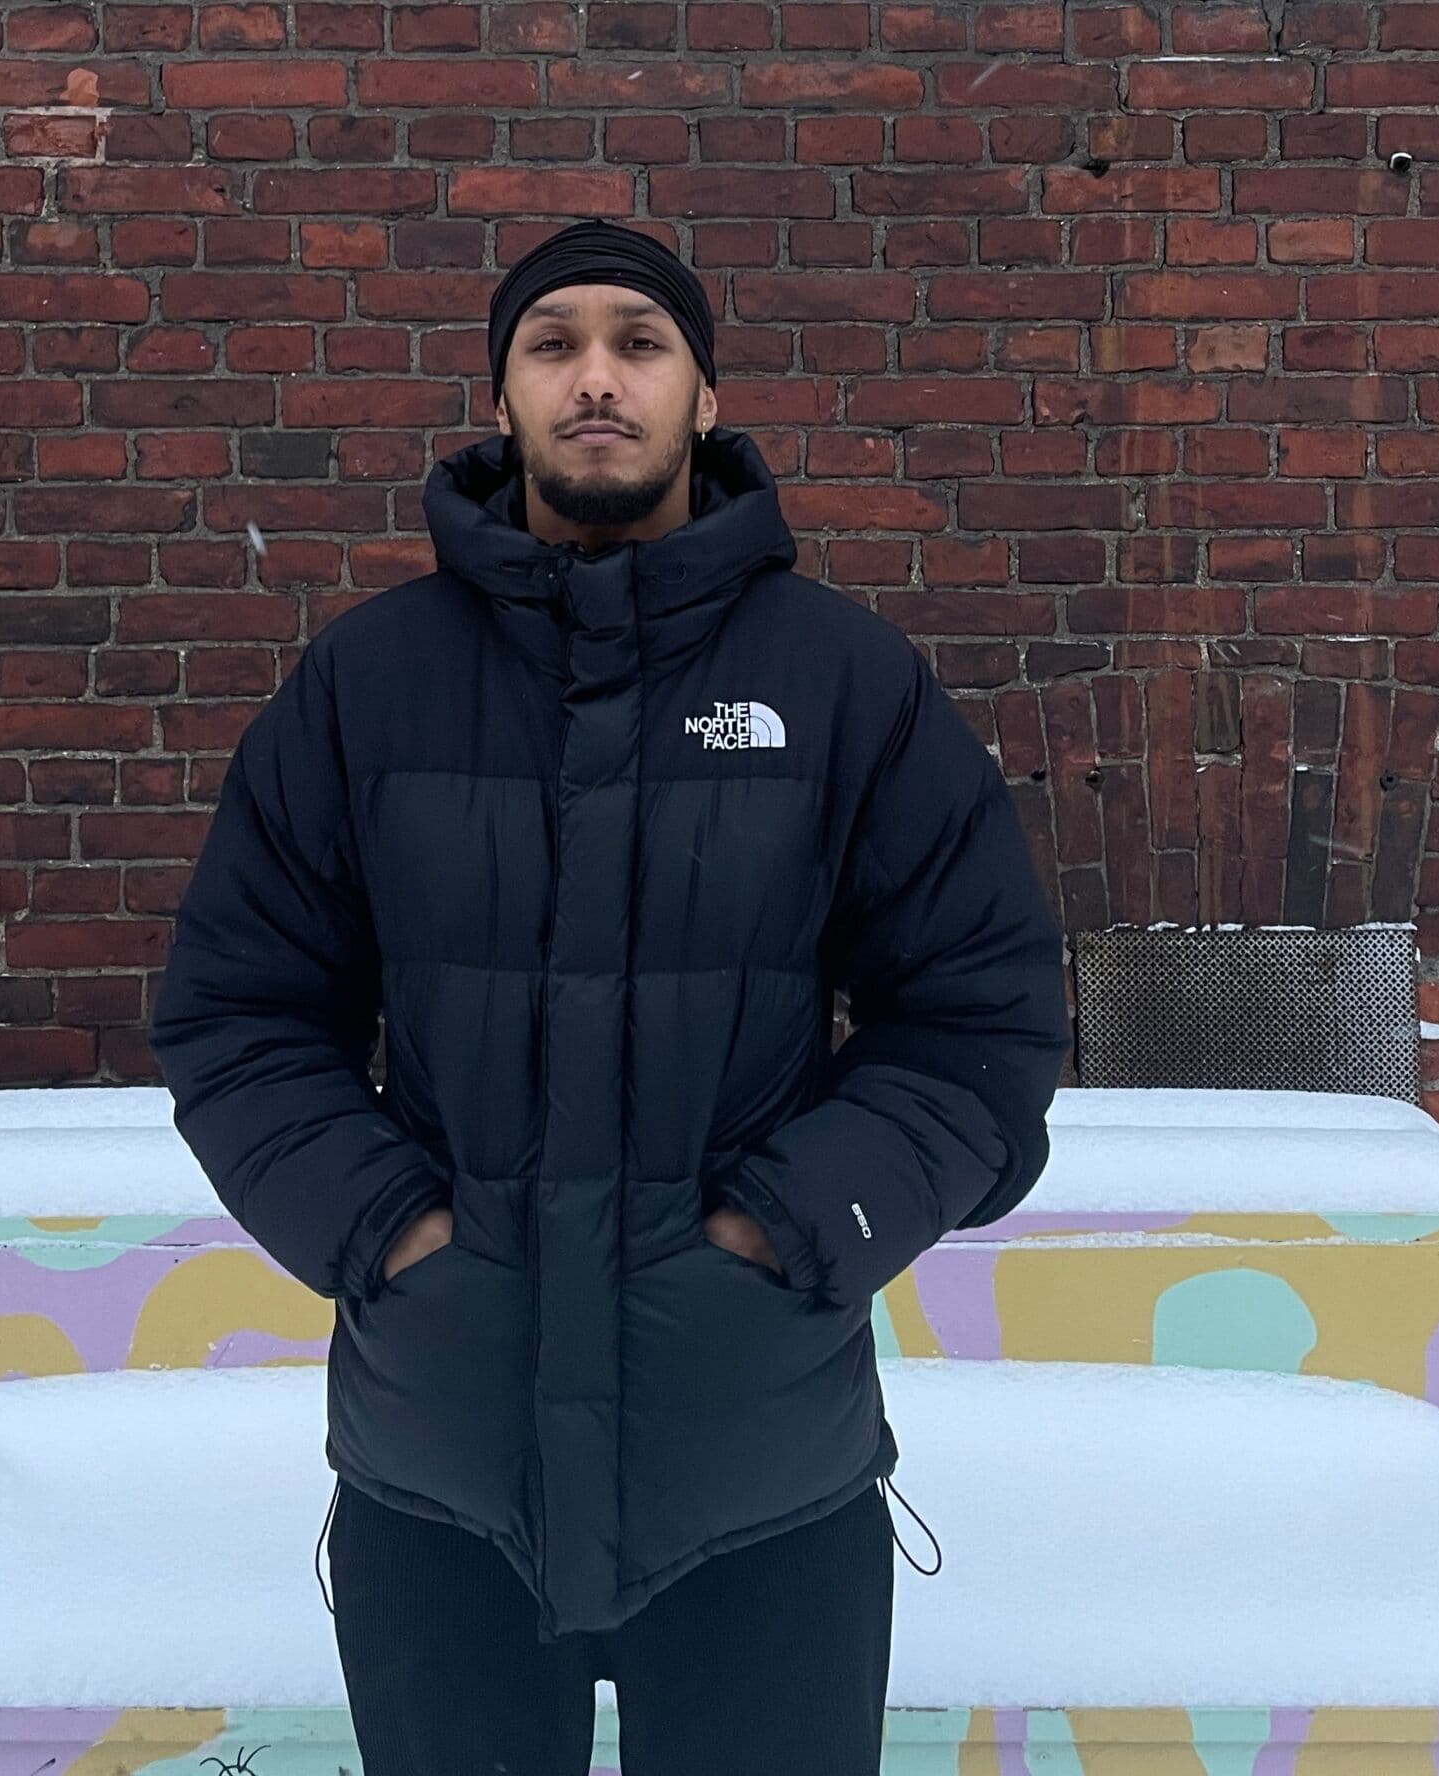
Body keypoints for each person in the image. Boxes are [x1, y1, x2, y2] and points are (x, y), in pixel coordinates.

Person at [149, 215, 1072, 1776]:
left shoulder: (845, 682)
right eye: (553, 344)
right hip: (439, 1476)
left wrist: (789, 1231)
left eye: (639, 344)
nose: (596, 378)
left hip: (762, 1476)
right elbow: (240, 1016)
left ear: (703, 398)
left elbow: (979, 1021)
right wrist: (387, 1232)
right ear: (502, 394)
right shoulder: (368, 685)